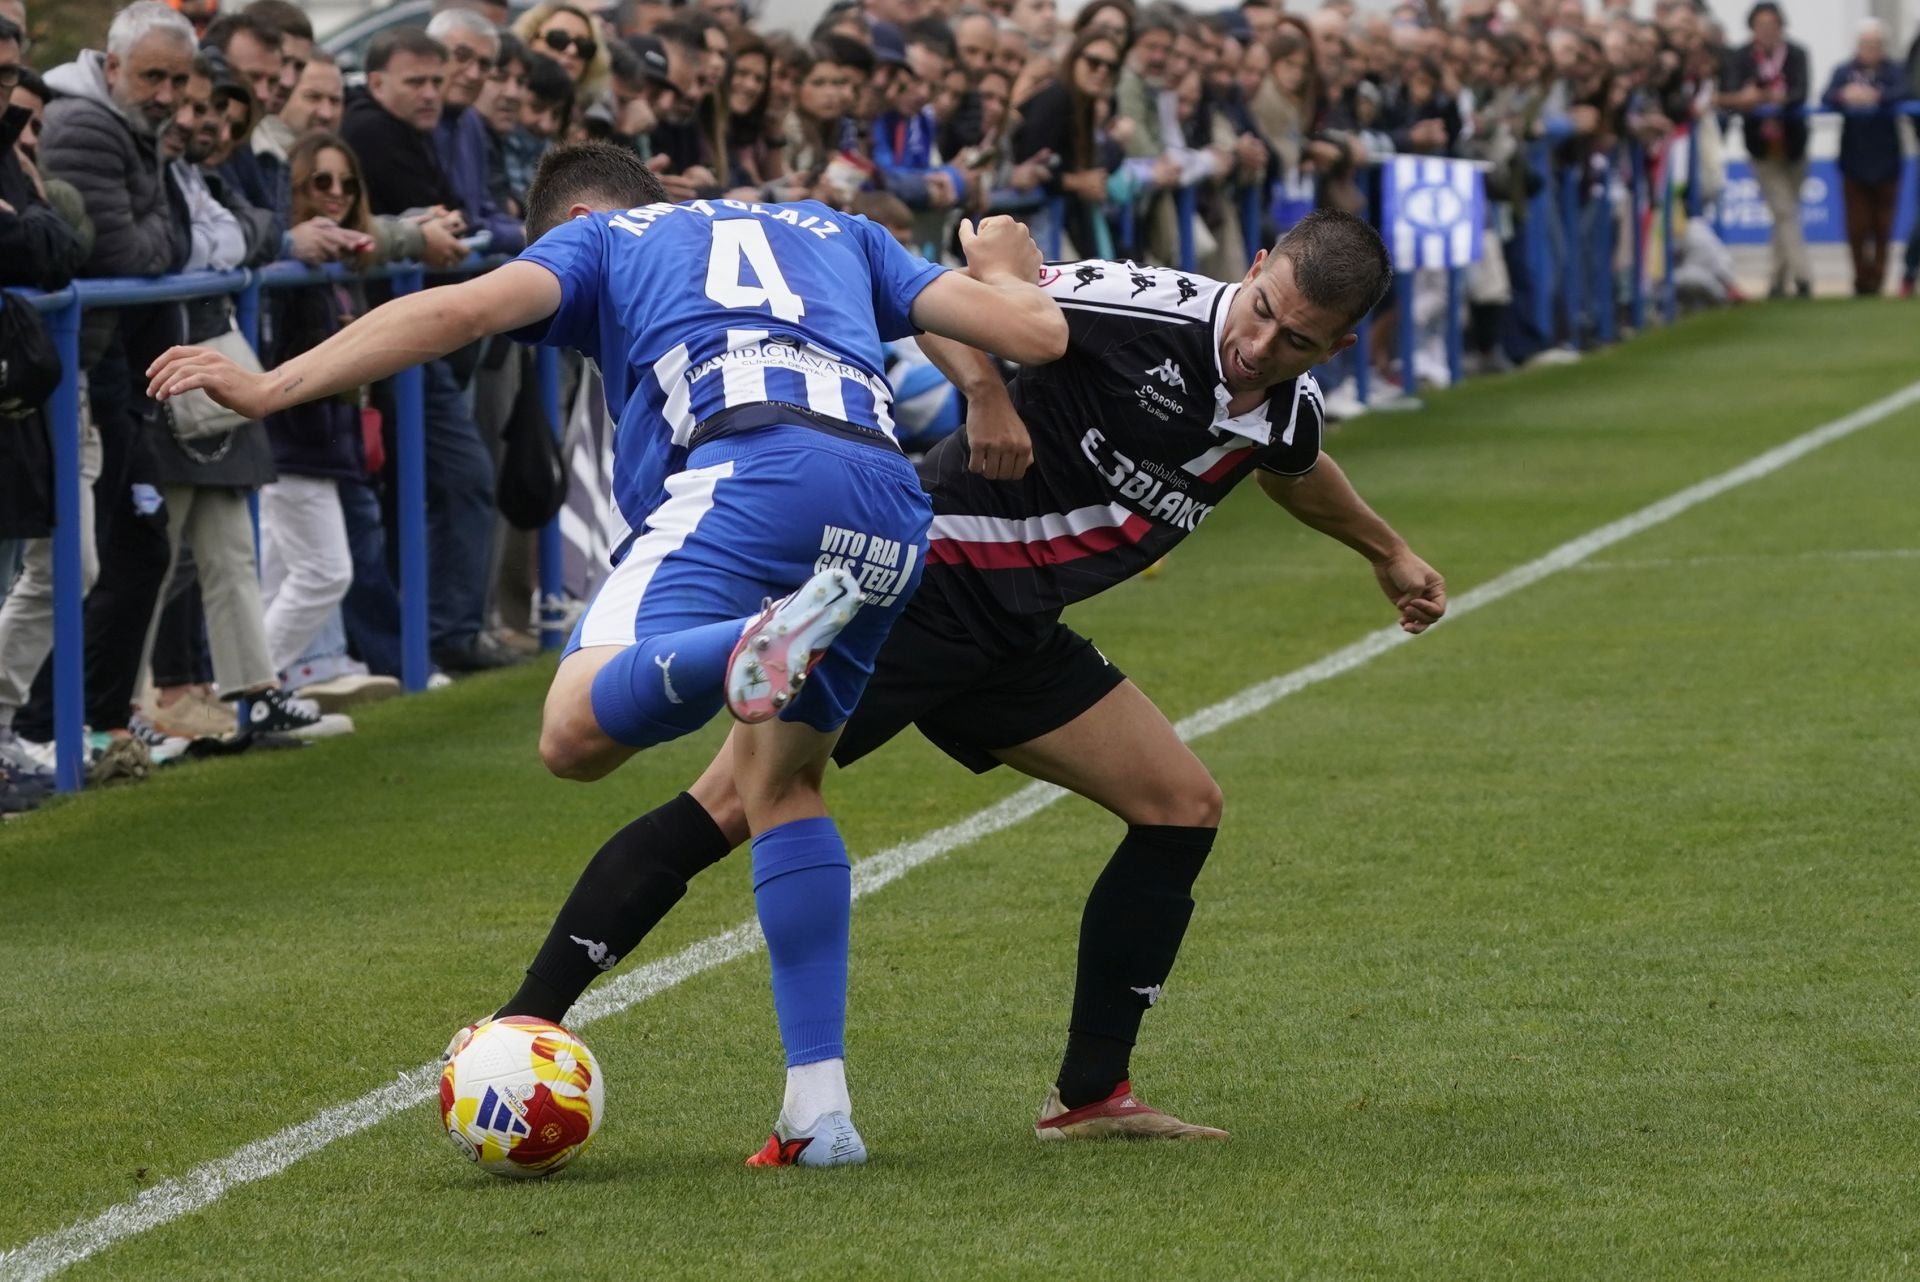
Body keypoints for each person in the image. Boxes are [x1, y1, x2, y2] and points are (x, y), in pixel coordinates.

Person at [147, 141, 1069, 1167]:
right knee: (787, 782)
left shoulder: (600, 237)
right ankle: (819, 1114)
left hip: (750, 470)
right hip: (889, 504)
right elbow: (1039, 327)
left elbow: (454, 310)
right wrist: (999, 257)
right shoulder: (840, 227)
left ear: (572, 216)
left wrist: (275, 385)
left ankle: (736, 650)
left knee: (573, 731)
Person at [457, 209, 1443, 1150]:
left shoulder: (1286, 407)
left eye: (1300, 342)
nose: (1263, 347)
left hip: (1015, 629)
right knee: (734, 802)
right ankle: (513, 1027)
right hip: (926, 578)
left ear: (1340, 347)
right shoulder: (1129, 304)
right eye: (1264, 309)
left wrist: (1386, 552)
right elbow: (954, 289)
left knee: (1181, 804)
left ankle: (1091, 1096)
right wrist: (987, 391)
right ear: (1258, 261)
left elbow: (1290, 462)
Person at [1720, 2, 1810, 299]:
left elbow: (1800, 92)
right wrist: (1756, 97)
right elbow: (1733, 92)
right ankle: (1803, 276)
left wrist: (1766, 97)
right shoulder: (1740, 57)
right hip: (1761, 147)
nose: (1767, 31)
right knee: (1785, 212)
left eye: (1772, 25)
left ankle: (1775, 281)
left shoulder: (1796, 54)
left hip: (1794, 145)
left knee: (1784, 216)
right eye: (1761, 25)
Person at [1822, 21, 1907, 298]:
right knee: (1857, 226)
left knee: (1883, 225)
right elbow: (1827, 96)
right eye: (1865, 44)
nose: (1870, 50)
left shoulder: (1893, 71)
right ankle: (1861, 279)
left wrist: (1877, 96)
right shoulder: (1844, 71)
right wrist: (1844, 95)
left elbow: (1903, 92)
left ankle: (1879, 278)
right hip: (1854, 157)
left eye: (1875, 44)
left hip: (1887, 157)